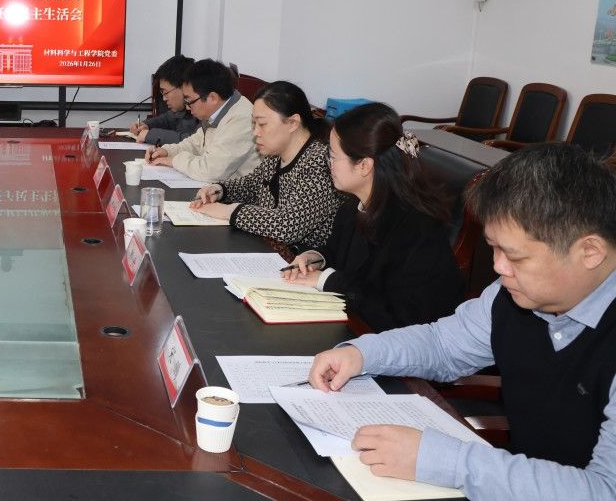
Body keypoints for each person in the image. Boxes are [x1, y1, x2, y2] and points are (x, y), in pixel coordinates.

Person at [308, 143, 616, 499]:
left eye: (514, 256)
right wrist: (362, 353)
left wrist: (445, 462)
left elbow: (605, 490)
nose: (498, 267)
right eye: (494, 248)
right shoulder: (511, 295)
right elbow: (443, 345)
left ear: (590, 252)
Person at [281, 103, 463, 330]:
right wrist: (315, 258)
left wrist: (326, 280)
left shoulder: (415, 228)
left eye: (333, 156)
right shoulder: (352, 206)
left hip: (403, 339)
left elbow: (395, 313)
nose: (328, 164)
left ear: (365, 165)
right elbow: (339, 254)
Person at [190, 80, 341, 251]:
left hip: (302, 260)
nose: (255, 132)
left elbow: (288, 226)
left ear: (293, 123)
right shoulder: (276, 154)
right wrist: (219, 190)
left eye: (262, 124)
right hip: (269, 248)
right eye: (254, 124)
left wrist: (229, 211)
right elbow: (252, 185)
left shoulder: (320, 163)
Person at [144, 59, 260, 183]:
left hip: (239, 193)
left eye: (189, 101)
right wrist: (167, 151)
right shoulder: (218, 111)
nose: (187, 107)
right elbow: (196, 143)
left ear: (212, 98)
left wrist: (174, 160)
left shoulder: (241, 119)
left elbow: (211, 171)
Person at [129, 55, 199, 144]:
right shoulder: (182, 109)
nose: (164, 98)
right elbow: (166, 119)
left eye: (166, 93)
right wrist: (146, 125)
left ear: (183, 87)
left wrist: (151, 135)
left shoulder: (202, 108)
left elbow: (193, 141)